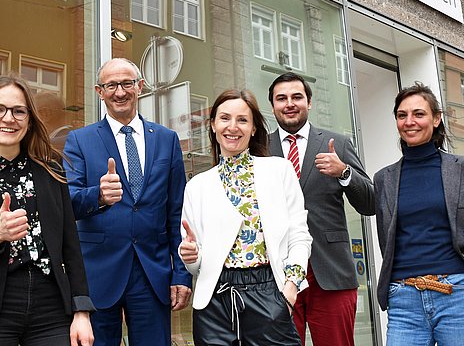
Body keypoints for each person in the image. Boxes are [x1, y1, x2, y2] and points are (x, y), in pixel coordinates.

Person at [63, 58, 192, 346]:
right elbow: (67, 204)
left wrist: (181, 274)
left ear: (140, 87)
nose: (119, 92)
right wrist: (97, 195)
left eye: (127, 84)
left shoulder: (166, 139)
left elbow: (177, 213)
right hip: (98, 274)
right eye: (111, 85)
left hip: (151, 274)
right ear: (99, 91)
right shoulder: (79, 141)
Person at [179, 88, 312, 345]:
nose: (233, 127)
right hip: (213, 302)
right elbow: (195, 263)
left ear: (253, 128)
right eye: (225, 118)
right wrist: (191, 256)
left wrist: (290, 289)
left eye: (242, 120)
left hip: (268, 292)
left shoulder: (279, 170)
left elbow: (299, 234)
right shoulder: (197, 185)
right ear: (213, 125)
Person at [0, 74, 94, 346]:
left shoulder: (51, 170)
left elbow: (71, 245)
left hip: (51, 307)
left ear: (30, 119)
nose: (8, 118)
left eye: (19, 111)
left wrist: (81, 311)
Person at [267, 72, 374, 346]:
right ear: (272, 106)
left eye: (297, 97)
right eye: (281, 98)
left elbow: (370, 203)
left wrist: (345, 172)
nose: (289, 103)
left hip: (329, 271)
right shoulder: (259, 149)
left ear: (309, 102)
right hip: (277, 274)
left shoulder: (337, 143)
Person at [374, 82, 464, 346]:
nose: (409, 122)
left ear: (436, 119)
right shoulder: (384, 178)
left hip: (456, 293)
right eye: (402, 115)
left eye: (419, 114)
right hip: (404, 299)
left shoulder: (460, 169)